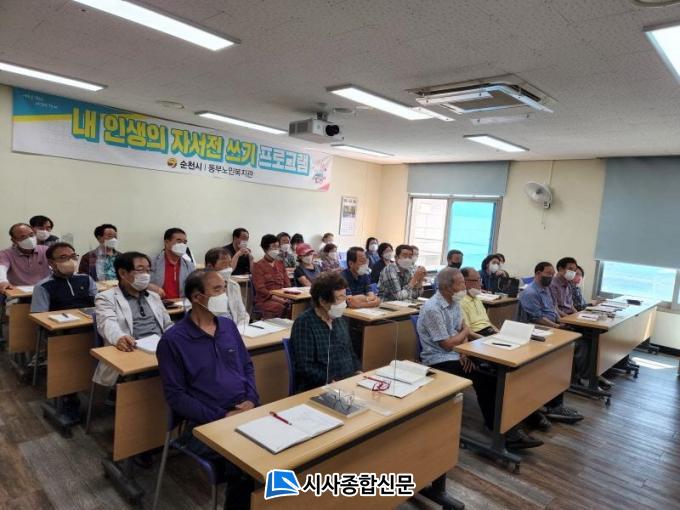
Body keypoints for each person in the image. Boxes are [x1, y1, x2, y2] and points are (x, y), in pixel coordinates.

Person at [157, 270, 257, 510]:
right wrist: (223, 416)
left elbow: (247, 366)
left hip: (246, 410)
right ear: (197, 297)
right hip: (205, 423)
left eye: (224, 288)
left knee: (284, 450)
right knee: (249, 463)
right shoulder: (173, 341)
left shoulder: (228, 326)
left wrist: (252, 399)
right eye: (217, 290)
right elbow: (176, 396)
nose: (224, 295)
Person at [418, 268, 541, 449]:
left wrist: (464, 351)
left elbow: (461, 331)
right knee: (484, 379)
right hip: (438, 359)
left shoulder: (454, 302)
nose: (464, 286)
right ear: (448, 287)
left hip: (457, 353)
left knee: (495, 373)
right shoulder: (433, 308)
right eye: (461, 283)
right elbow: (447, 343)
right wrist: (464, 335)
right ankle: (502, 432)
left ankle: (506, 423)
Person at [31, 242, 97, 420]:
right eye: (63, 258)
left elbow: (99, 303)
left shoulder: (86, 279)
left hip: (90, 328)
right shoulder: (43, 286)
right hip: (62, 333)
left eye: (73, 256)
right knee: (69, 352)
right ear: (51, 263)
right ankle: (68, 396)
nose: (70, 260)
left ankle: (107, 387)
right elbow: (39, 318)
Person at [93, 251, 173, 387]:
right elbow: (107, 324)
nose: (146, 275)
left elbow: (167, 324)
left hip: (159, 348)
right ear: (123, 273)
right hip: (131, 350)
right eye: (140, 270)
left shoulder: (153, 296)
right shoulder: (106, 297)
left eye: (148, 270)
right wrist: (119, 338)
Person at [519, 262, 584, 424]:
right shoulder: (530, 292)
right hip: (538, 330)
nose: (551, 276)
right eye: (548, 273)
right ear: (537, 273)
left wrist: (560, 322)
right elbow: (536, 318)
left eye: (552, 273)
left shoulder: (546, 289)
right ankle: (553, 405)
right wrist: (556, 326)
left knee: (565, 355)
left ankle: (555, 403)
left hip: (552, 327)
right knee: (558, 358)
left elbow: (553, 308)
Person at [290, 272, 361, 392]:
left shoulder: (339, 319)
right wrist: (330, 381)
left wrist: (358, 371)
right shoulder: (305, 323)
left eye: (345, 296)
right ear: (322, 301)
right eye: (339, 298)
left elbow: (350, 353)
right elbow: (305, 367)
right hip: (321, 388)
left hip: (348, 384)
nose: (344, 302)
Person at [204, 248, 249, 327]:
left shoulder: (234, 285)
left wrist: (239, 329)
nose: (229, 268)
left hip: (235, 328)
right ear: (210, 266)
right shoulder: (201, 287)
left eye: (229, 264)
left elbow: (242, 314)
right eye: (224, 264)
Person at [0, 223, 50, 295]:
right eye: (23, 237)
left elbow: (56, 264)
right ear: (14, 240)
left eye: (31, 235)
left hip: (45, 291)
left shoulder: (46, 250)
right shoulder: (6, 254)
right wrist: (2, 281)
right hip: (19, 294)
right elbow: (2, 268)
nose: (29, 239)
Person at [251, 234, 290, 319]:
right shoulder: (258, 266)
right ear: (265, 249)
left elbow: (287, 283)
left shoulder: (280, 264)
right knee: (281, 307)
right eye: (273, 247)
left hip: (282, 297)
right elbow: (260, 289)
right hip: (265, 300)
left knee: (296, 306)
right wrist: (279, 299)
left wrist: (287, 296)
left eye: (278, 247)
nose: (276, 249)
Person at [150, 228, 195, 299]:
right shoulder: (152, 263)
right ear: (167, 242)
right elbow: (142, 284)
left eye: (184, 242)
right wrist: (149, 286)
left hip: (181, 304)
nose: (183, 245)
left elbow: (194, 288)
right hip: (158, 303)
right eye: (179, 241)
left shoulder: (190, 266)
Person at [460, 267, 498, 338]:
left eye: (480, 280)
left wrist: (499, 334)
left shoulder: (477, 299)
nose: (481, 284)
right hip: (477, 336)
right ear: (465, 282)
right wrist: (485, 340)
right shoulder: (460, 302)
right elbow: (468, 332)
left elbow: (488, 322)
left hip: (488, 332)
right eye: (477, 280)